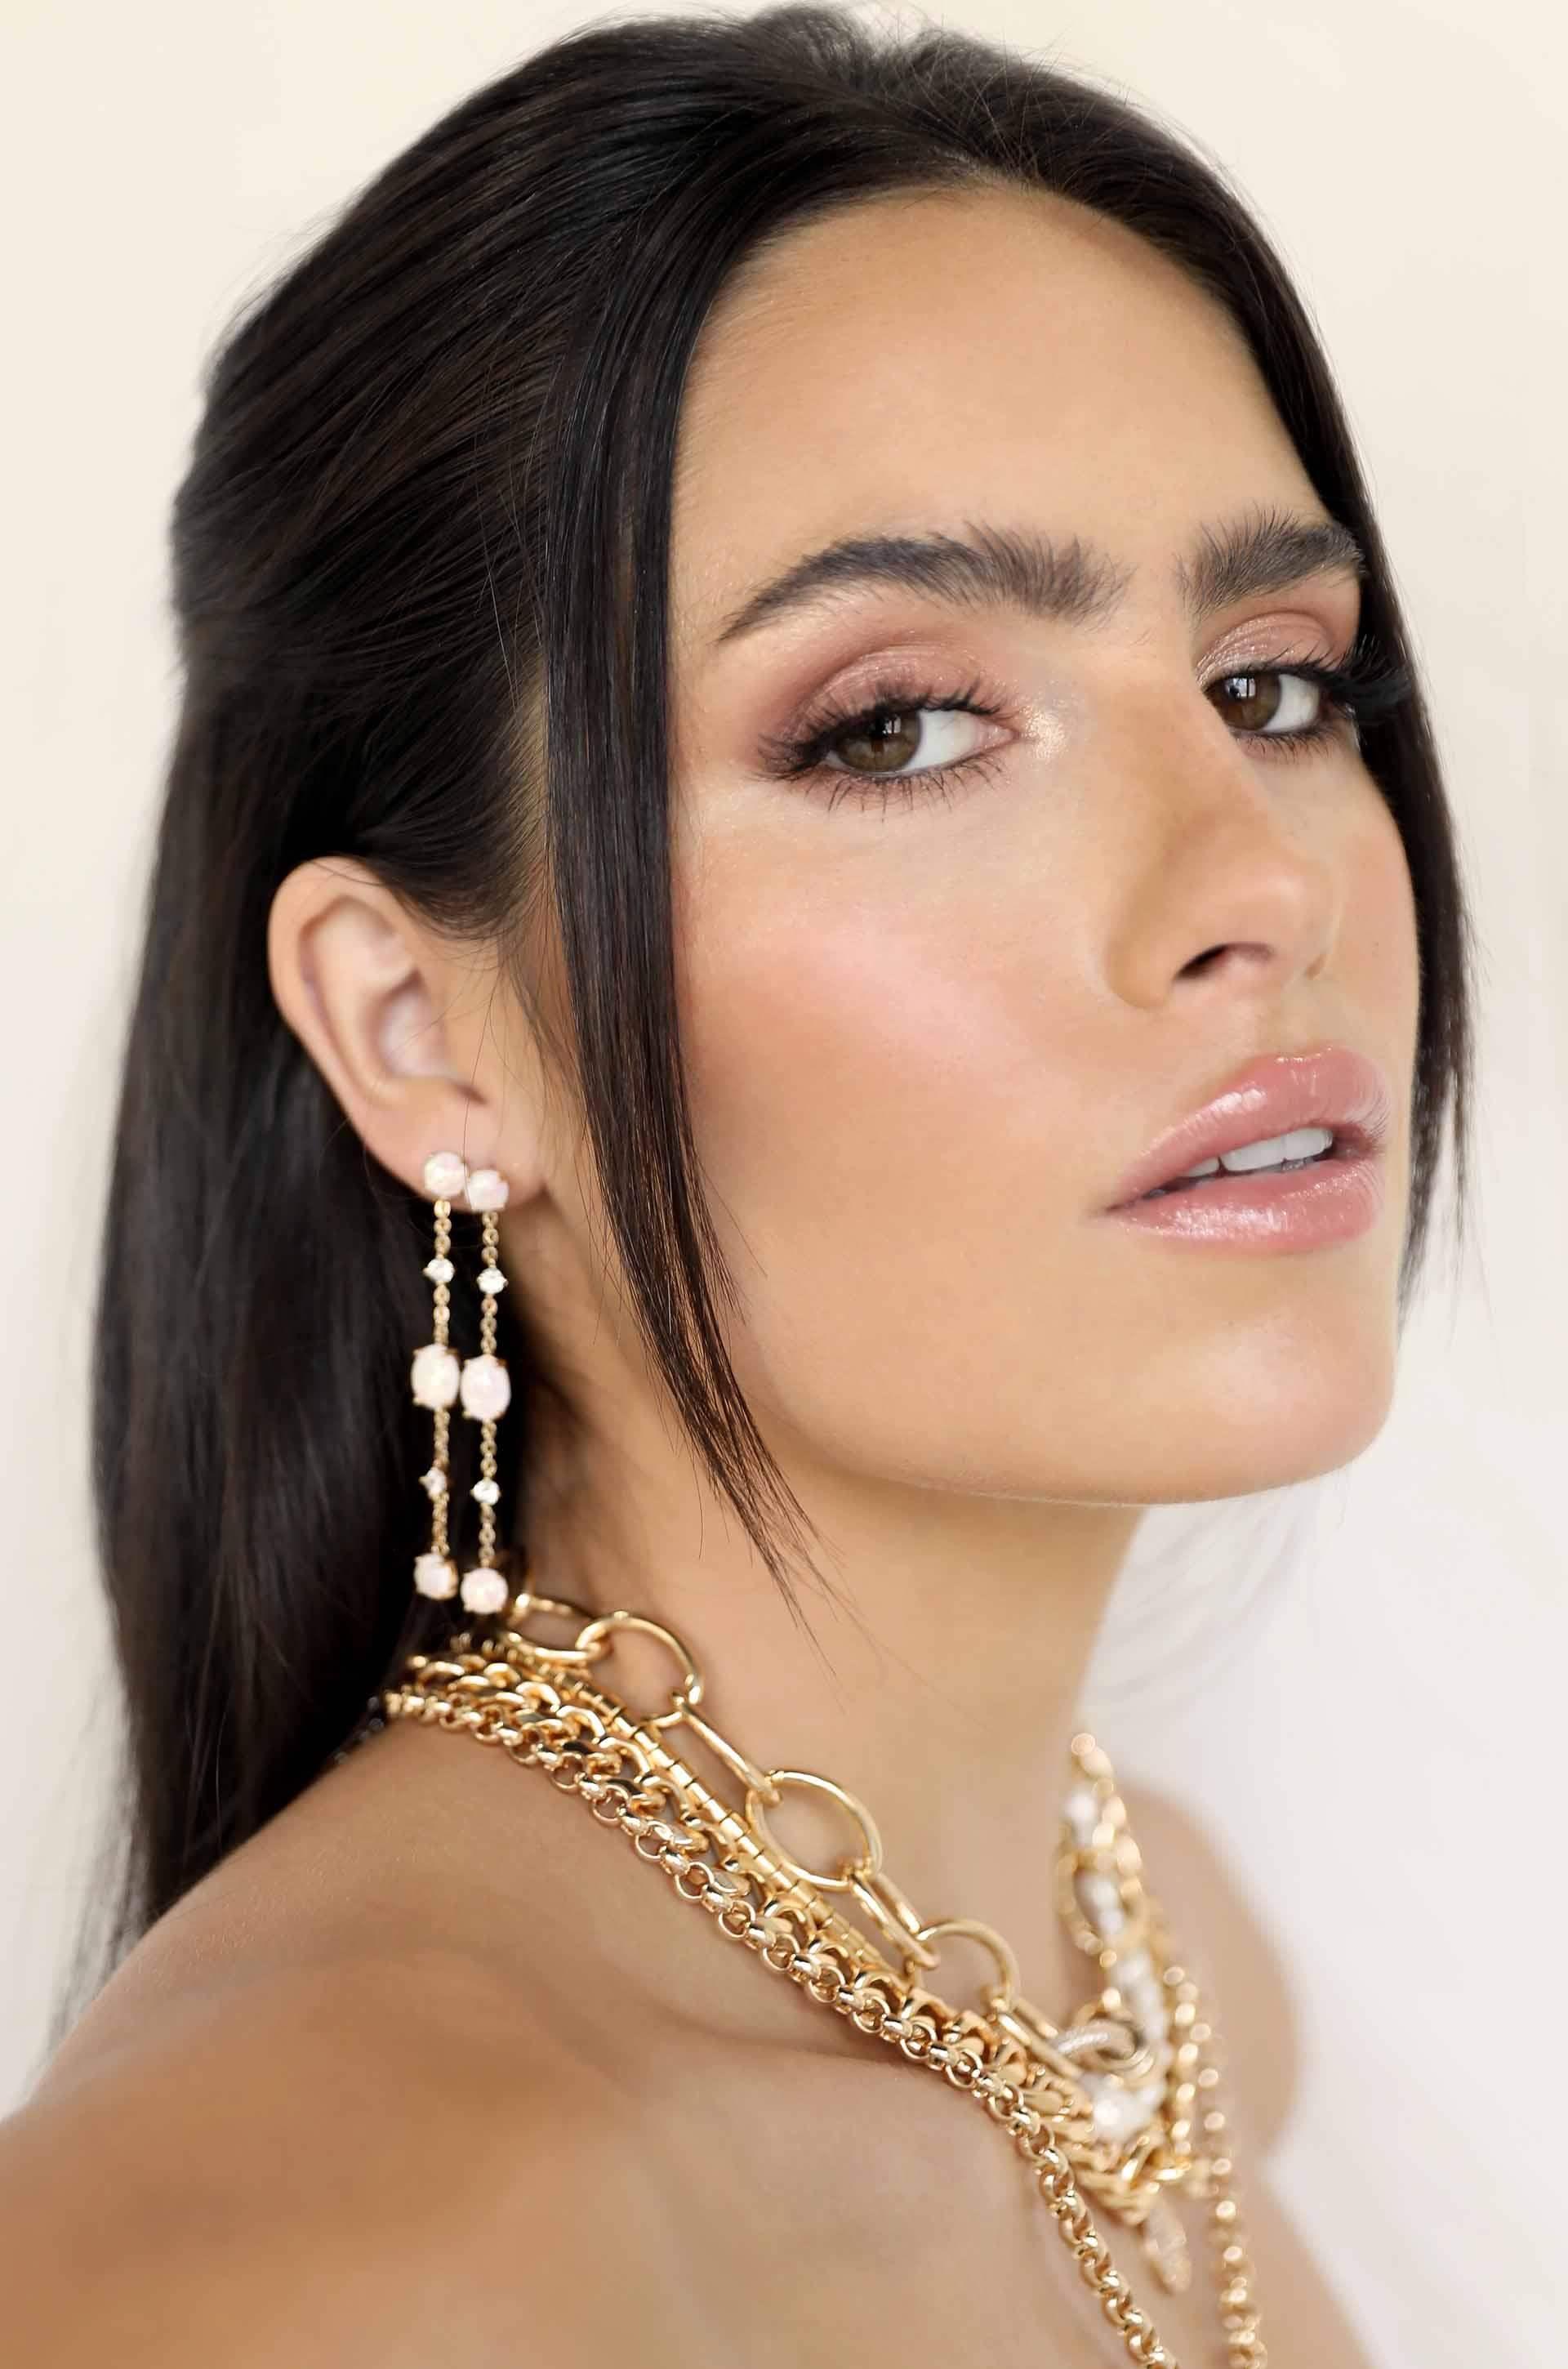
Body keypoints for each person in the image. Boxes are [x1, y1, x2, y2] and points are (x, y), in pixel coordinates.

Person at [0, 5, 1474, 2362]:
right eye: (899, 726)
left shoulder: (1157, 1999)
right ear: (420, 1026)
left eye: (1275, 677)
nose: (1257, 883)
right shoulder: (331, 2256)